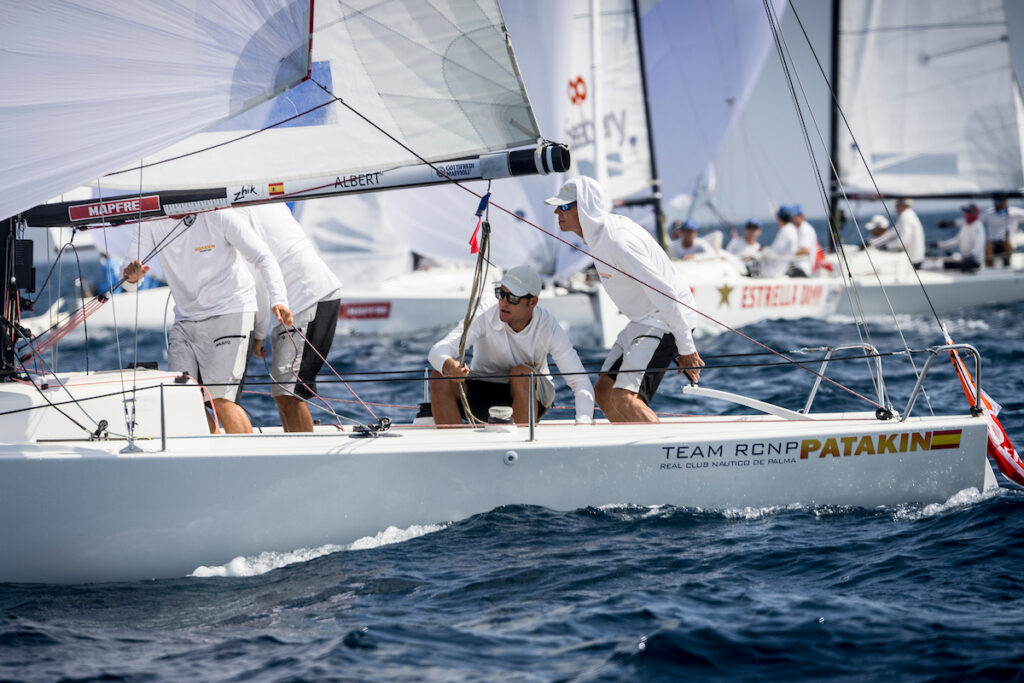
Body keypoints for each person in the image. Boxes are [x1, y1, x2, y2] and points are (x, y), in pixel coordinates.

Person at [546, 176, 703, 424]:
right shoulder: (597, 235)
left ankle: (659, 455)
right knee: (603, 393)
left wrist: (686, 348)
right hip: (643, 321)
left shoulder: (617, 241)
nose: (556, 211)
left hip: (665, 320)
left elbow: (665, 292)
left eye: (564, 206)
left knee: (624, 398)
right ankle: (632, 448)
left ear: (585, 207)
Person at [122, 209, 292, 434]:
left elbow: (263, 256)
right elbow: (128, 283)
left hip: (231, 309)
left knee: (221, 399)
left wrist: (278, 299)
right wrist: (133, 278)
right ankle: (215, 457)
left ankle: (248, 463)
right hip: (186, 318)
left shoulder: (219, 213)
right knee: (182, 400)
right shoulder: (150, 222)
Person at [428, 265, 594, 427]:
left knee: (521, 374)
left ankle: (524, 447)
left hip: (532, 395)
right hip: (482, 391)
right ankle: (454, 450)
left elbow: (580, 382)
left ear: (533, 302)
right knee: (439, 375)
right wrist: (450, 367)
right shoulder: (484, 312)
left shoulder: (547, 324)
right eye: (501, 294)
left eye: (513, 298)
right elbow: (438, 350)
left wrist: (583, 424)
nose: (504, 303)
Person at [240, 204, 343, 433]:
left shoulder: (236, 213)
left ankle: (306, 461)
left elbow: (257, 280)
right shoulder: (258, 201)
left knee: (289, 393)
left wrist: (258, 334)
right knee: (284, 393)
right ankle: (297, 452)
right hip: (301, 301)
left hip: (309, 297)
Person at [869, 199, 925, 268]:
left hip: (912, 261)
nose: (895, 208)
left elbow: (903, 241)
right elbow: (893, 232)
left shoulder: (906, 217)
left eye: (896, 205)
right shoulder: (907, 215)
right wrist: (872, 242)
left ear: (902, 205)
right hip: (914, 258)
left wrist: (886, 246)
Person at [935, 203, 985, 272]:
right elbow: (957, 240)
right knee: (946, 264)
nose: (965, 214)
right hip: (965, 260)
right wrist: (939, 245)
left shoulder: (978, 227)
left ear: (973, 213)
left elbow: (978, 246)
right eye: (965, 212)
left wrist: (971, 255)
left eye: (967, 212)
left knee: (951, 265)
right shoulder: (966, 225)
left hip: (975, 262)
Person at [981, 192, 1024, 267]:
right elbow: (975, 221)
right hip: (993, 244)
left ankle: (1007, 264)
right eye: (994, 201)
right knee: (987, 244)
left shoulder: (1014, 212)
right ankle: (990, 268)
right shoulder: (988, 214)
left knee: (1005, 242)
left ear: (1004, 201)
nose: (995, 203)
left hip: (1007, 244)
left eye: (997, 201)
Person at [761, 205, 805, 277]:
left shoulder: (785, 230)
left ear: (779, 218)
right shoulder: (792, 229)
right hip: (786, 266)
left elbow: (775, 252)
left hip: (778, 270)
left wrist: (763, 250)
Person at [790, 204, 819, 276]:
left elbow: (806, 250)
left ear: (800, 216)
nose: (792, 219)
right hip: (801, 267)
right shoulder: (802, 228)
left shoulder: (804, 229)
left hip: (803, 269)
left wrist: (788, 254)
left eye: (793, 217)